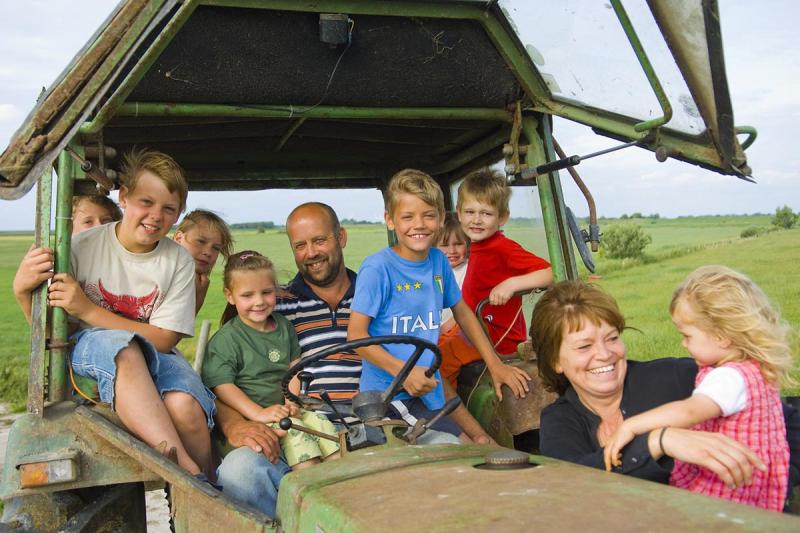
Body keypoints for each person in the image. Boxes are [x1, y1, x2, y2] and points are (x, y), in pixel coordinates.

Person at [214, 202, 495, 516]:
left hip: (381, 424)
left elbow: (420, 366)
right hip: (304, 431)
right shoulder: (271, 304)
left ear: (341, 237)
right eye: (300, 245)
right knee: (239, 473)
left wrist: (480, 434)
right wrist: (234, 426)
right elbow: (225, 379)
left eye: (320, 240)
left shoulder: (380, 293)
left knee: (451, 451)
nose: (311, 252)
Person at [14, 149, 216, 479]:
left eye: (168, 209)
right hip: (91, 347)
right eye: (146, 202)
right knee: (121, 348)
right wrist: (22, 291)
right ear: (124, 197)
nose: (155, 216)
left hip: (156, 349)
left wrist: (87, 308)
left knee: (186, 406)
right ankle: (186, 472)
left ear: (178, 214)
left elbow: (164, 339)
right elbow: (52, 332)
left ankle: (207, 491)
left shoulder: (177, 260)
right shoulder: (81, 247)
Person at [534, 280, 800, 506]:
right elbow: (570, 483)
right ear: (555, 361)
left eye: (612, 338)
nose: (604, 354)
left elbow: (782, 418)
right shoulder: (559, 420)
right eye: (584, 346)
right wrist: (658, 441)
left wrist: (771, 486)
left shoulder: (678, 376)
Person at [347, 169, 531, 441]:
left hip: (430, 386)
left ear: (442, 218)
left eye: (428, 215)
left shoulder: (438, 261)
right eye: (407, 217)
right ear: (390, 220)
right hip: (389, 397)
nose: (418, 224)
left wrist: (495, 364)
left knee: (483, 444)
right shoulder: (378, 268)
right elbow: (356, 336)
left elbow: (463, 313)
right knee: (456, 450)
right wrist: (405, 372)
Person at [603, 266, 793, 511]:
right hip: (752, 481)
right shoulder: (753, 368)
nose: (683, 343)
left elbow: (689, 412)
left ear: (722, 336)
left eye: (688, 335)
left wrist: (631, 426)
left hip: (728, 485)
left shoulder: (729, 377)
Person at [202, 251, 340, 471]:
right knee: (297, 434)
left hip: (284, 410)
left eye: (266, 292)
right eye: (247, 296)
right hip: (256, 418)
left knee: (325, 428)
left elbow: (293, 367)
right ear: (230, 296)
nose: (259, 302)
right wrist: (258, 413)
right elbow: (222, 387)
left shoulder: (283, 326)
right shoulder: (227, 340)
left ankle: (340, 481)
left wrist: (291, 400)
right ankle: (308, 489)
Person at [438, 167, 553, 389]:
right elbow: (471, 300)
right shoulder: (478, 247)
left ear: (502, 217)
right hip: (475, 329)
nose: (477, 220)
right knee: (429, 347)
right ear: (459, 214)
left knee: (434, 366)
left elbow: (551, 273)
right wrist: (450, 324)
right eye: (470, 212)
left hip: (496, 338)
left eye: (486, 213)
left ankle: (447, 415)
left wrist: (512, 283)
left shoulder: (502, 248)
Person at [173, 209, 234, 313]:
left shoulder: (197, 282)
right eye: (201, 241)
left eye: (216, 248)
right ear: (179, 238)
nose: (208, 252)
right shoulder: (157, 273)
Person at [437, 212, 469, 334]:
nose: (452, 251)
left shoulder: (470, 270)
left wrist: (442, 330)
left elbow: (467, 310)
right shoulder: (431, 271)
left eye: (458, 244)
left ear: (467, 243)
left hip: (457, 332)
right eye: (444, 245)